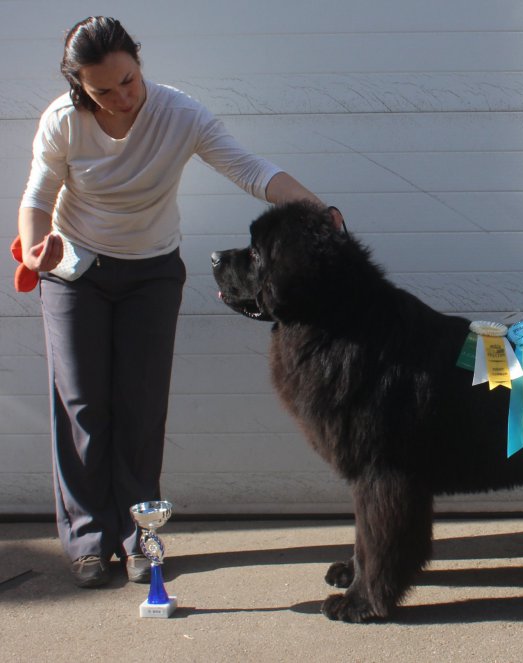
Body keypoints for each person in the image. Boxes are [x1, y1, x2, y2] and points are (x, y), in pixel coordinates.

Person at [17, 16, 343, 588]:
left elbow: (250, 169)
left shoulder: (179, 114)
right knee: (82, 405)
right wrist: (38, 247)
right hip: (75, 274)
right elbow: (37, 198)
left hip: (151, 272)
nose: (122, 98)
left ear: (139, 62)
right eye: (103, 90)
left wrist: (319, 211)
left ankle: (139, 535)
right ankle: (88, 540)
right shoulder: (62, 122)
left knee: (140, 407)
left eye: (128, 80)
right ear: (79, 87)